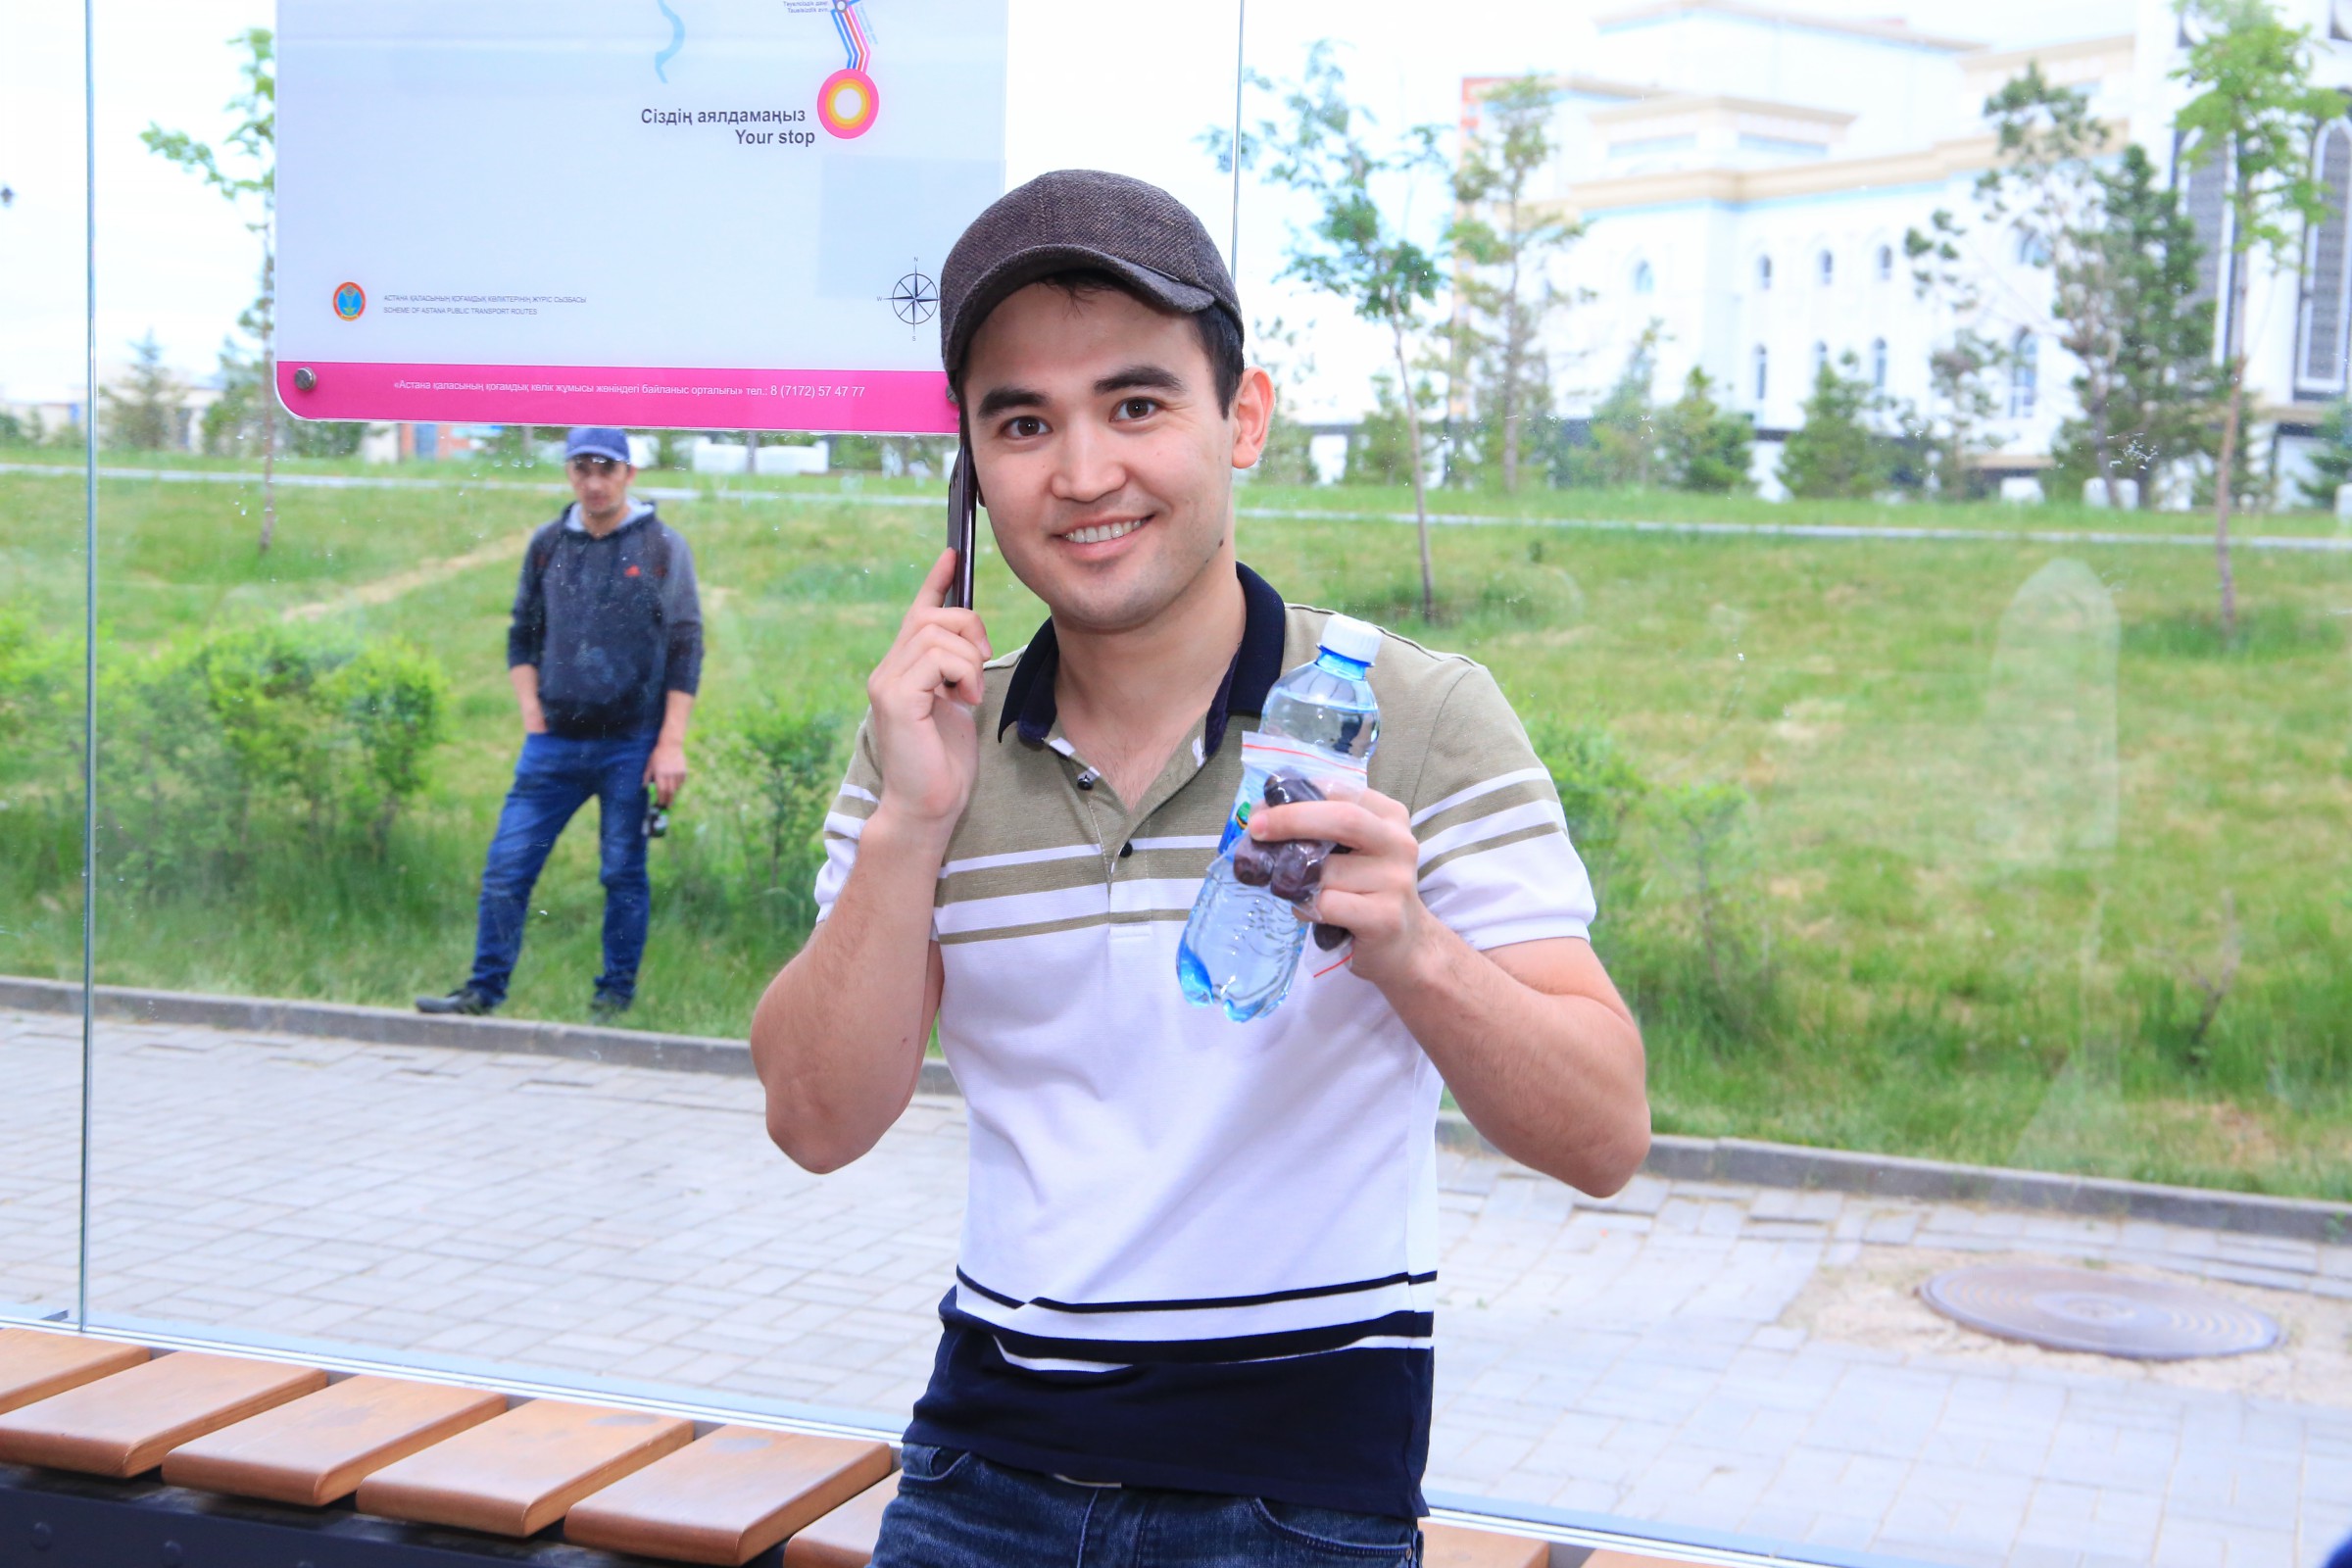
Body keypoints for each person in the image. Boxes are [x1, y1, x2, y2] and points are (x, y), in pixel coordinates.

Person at [751, 171, 1648, 1565]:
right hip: (978, 1478)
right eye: (1023, 424)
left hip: (1296, 1502)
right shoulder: (927, 736)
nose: (1082, 473)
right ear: (970, 473)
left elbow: (1604, 1135)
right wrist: (909, 825)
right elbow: (816, 1119)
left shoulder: (1417, 715)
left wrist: (1414, 952)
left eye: (1136, 405)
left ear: (1244, 417)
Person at [418, 427, 702, 1019]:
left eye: (607, 469)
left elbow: (685, 644)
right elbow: (521, 634)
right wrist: (533, 713)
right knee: (507, 868)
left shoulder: (661, 546)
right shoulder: (548, 544)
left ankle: (613, 1000)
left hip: (631, 744)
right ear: (569, 473)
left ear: (629, 474)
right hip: (553, 746)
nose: (594, 483)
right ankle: (482, 992)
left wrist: (670, 742)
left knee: (622, 873)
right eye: (582, 469)